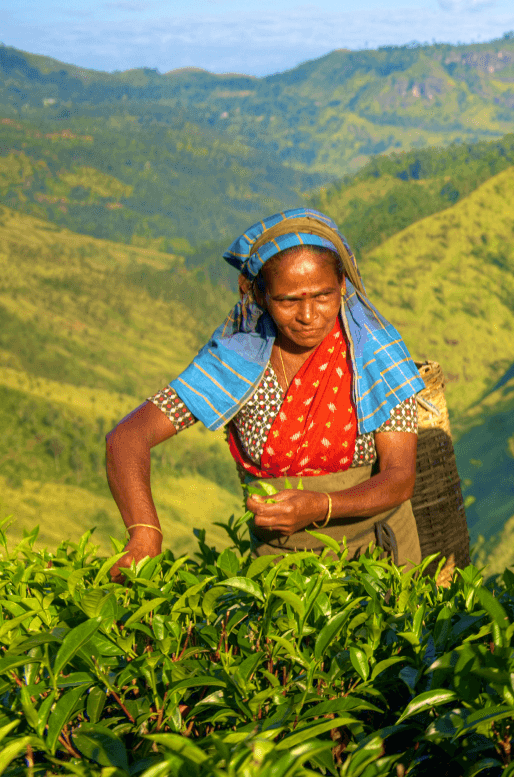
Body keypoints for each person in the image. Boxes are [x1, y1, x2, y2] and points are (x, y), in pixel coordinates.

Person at [105, 208, 427, 579]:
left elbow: (400, 477)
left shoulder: (373, 353)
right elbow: (128, 437)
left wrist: (321, 506)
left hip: (380, 556)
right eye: (288, 301)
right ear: (257, 294)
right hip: (279, 569)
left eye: (322, 295)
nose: (308, 315)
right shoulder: (239, 360)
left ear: (342, 284)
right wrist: (145, 533)